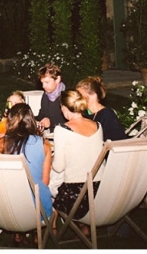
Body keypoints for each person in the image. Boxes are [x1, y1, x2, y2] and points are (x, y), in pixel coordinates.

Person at [0, 103, 53, 245]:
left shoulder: (1, 144)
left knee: (15, 189)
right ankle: (35, 233)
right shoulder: (44, 145)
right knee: (36, 189)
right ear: (31, 121)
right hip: (37, 210)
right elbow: (44, 181)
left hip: (9, 207)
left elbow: (1, 178)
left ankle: (18, 233)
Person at [50, 90, 105, 236]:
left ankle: (51, 224)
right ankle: (83, 225)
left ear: (63, 108)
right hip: (100, 193)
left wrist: (49, 160)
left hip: (75, 197)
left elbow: (59, 166)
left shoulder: (61, 129)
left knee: (49, 181)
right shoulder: (98, 125)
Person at [76, 76, 127, 141]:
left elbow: (116, 141)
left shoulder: (107, 115)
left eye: (80, 96)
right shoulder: (86, 115)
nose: (77, 100)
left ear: (93, 95)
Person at [35, 63, 66, 132]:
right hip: (49, 134)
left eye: (46, 82)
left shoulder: (66, 96)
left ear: (57, 79)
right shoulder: (46, 95)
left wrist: (51, 123)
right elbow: (42, 114)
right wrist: (31, 119)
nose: (43, 86)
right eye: (42, 83)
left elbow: (72, 121)